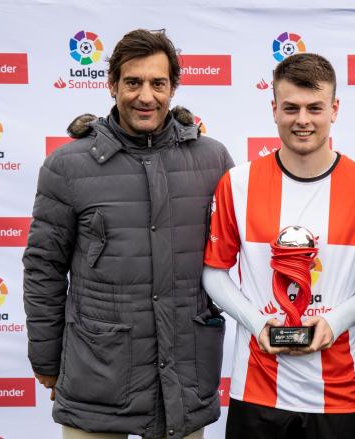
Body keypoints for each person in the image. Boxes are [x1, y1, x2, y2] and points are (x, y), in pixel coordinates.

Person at [23, 29, 233, 439]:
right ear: (112, 84)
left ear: (173, 87)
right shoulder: (68, 165)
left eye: (158, 83)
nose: (145, 96)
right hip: (97, 380)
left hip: (184, 378)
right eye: (133, 82)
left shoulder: (213, 160)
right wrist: (46, 359)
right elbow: (44, 268)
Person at [202, 53, 355, 439]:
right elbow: (215, 271)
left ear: (335, 109)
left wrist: (334, 323)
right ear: (274, 109)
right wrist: (257, 324)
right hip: (255, 388)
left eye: (314, 108)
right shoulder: (237, 184)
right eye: (290, 108)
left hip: (341, 393)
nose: (302, 120)